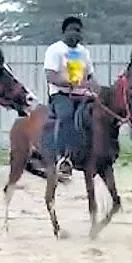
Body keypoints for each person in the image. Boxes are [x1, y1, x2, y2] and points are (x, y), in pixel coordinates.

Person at [43, 16, 99, 178]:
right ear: (64, 32)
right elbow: (50, 76)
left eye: (78, 30)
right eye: (72, 30)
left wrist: (97, 90)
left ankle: (96, 153)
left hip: (82, 96)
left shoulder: (83, 52)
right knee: (66, 116)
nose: (76, 34)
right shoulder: (55, 50)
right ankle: (63, 157)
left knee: (98, 116)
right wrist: (72, 84)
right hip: (60, 95)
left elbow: (90, 77)